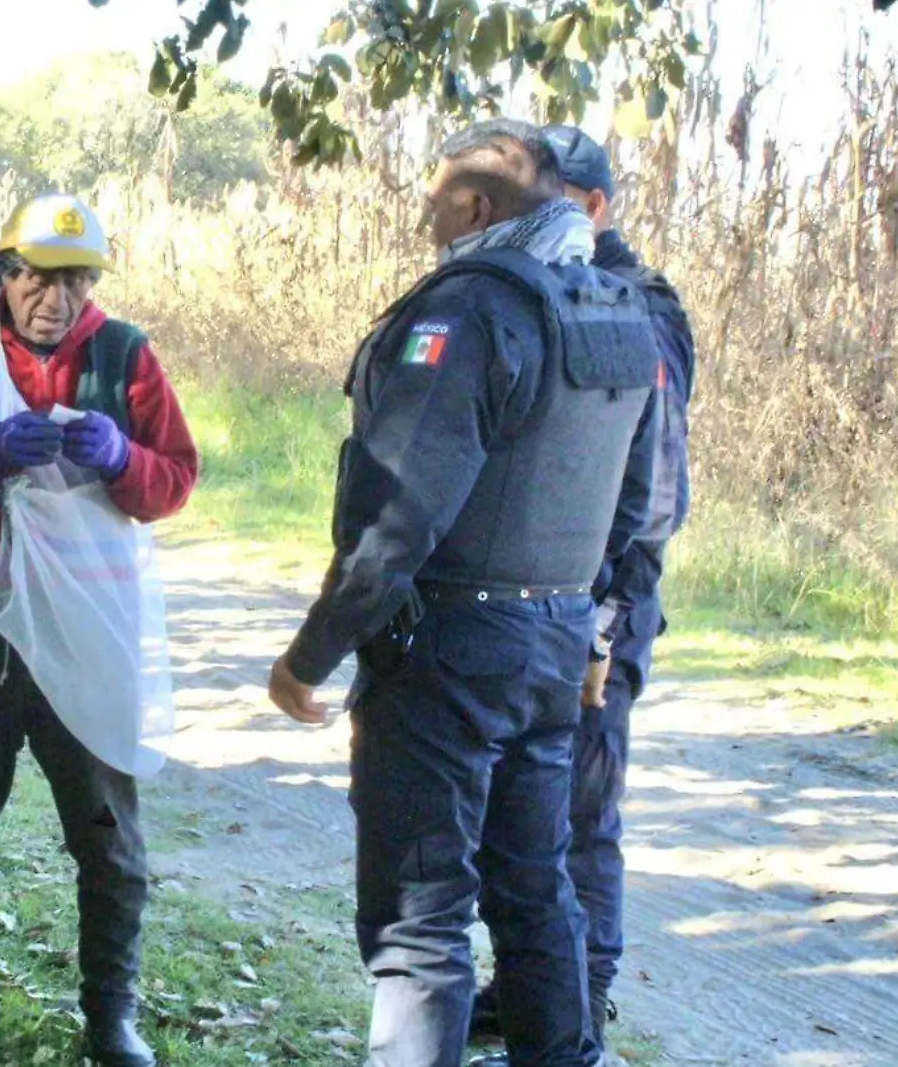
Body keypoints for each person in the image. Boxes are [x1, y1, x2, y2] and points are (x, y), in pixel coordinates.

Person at [266, 119, 662, 1067]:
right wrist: (597, 631)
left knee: (420, 922)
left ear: (478, 207)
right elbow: (636, 503)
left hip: (448, 650)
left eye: (438, 195)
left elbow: (399, 519)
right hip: (556, 641)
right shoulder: (613, 307)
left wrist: (308, 657)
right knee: (536, 892)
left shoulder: (468, 313)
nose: (424, 211)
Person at [0, 193, 199, 1066]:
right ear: (5, 274)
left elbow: (175, 479)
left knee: (107, 831)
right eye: (37, 279)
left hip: (88, 635)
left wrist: (123, 458)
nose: (56, 300)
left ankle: (110, 1013)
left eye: (76, 281)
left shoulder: (125, 356)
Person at [465, 125, 699, 1060]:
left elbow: (654, 492)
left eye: (547, 202)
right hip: (537, 598)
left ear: (593, 209)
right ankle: (529, 986)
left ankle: (582, 992)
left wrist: (604, 620)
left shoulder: (629, 309)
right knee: (518, 807)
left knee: (579, 808)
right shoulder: (545, 292)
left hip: (600, 603)